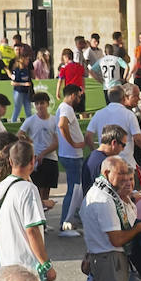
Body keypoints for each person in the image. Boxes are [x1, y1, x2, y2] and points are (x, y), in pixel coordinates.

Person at [0, 140, 57, 281]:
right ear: (32, 160)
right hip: (28, 268)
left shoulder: (1, 187)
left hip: (7, 264)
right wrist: (46, 264)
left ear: (11, 161)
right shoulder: (28, 189)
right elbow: (32, 230)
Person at [88, 86, 141, 169]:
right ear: (123, 98)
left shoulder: (98, 114)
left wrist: (95, 151)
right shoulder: (129, 114)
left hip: (107, 162)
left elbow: (88, 136)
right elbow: (138, 138)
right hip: (127, 162)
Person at [18, 92, 59, 210]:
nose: (40, 106)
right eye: (37, 104)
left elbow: (56, 142)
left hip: (50, 159)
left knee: (46, 191)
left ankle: (44, 220)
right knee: (36, 191)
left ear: (47, 104)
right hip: (35, 161)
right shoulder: (30, 120)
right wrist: (30, 144)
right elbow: (19, 135)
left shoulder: (54, 120)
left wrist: (43, 154)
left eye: (42, 103)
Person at [56, 83, 88, 234]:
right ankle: (65, 223)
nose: (80, 99)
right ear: (73, 95)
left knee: (74, 190)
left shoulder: (64, 108)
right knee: (73, 191)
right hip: (71, 156)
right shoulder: (66, 108)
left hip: (70, 155)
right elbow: (62, 125)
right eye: (79, 96)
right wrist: (73, 143)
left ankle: (69, 222)